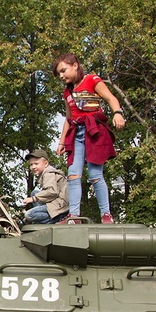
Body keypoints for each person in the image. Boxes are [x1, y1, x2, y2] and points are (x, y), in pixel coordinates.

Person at [52, 53, 125, 224]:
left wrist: (117, 113)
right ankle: (74, 216)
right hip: (76, 133)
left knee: (95, 174)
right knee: (73, 174)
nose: (62, 76)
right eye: (59, 74)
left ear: (75, 65)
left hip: (94, 131)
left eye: (63, 71)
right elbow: (68, 118)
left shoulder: (92, 80)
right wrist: (62, 141)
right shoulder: (67, 92)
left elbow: (110, 98)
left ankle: (106, 215)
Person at [22, 149, 69, 225]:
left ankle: (58, 218)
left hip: (61, 205)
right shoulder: (44, 174)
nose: (33, 167)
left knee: (29, 215)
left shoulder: (48, 174)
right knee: (34, 192)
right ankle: (44, 220)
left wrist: (33, 199)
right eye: (31, 164)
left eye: (36, 164)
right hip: (56, 202)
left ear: (46, 163)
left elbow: (52, 192)